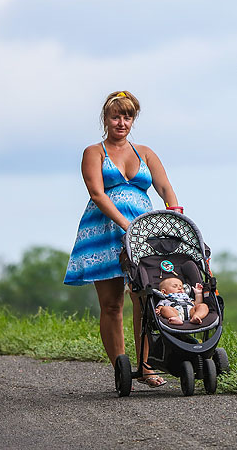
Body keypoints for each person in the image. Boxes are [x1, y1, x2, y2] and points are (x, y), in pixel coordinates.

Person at [63, 90, 178, 387]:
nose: (122, 122)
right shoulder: (94, 152)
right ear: (106, 118)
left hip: (141, 234)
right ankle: (122, 369)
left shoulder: (145, 153)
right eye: (116, 116)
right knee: (112, 304)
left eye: (127, 117)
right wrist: (125, 224)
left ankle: (146, 366)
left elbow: (165, 188)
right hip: (104, 232)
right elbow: (97, 193)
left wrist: (174, 213)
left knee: (145, 298)